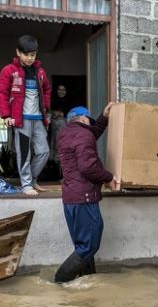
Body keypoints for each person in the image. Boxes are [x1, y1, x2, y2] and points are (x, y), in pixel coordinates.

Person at [53, 103, 118, 283]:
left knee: (82, 246)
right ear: (83, 119)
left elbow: (91, 134)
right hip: (84, 198)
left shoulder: (65, 134)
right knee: (89, 245)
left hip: (70, 200)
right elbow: (88, 166)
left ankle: (88, 284)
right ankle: (59, 281)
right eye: (89, 120)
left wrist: (103, 116)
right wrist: (108, 177)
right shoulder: (84, 134)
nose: (90, 124)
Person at [0, 35, 51, 196]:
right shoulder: (9, 71)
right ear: (18, 52)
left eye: (33, 55)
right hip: (21, 120)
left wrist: (46, 107)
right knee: (24, 153)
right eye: (26, 54)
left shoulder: (40, 72)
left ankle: (32, 179)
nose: (29, 58)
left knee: (44, 151)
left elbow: (47, 89)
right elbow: (1, 93)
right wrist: (5, 115)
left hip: (39, 119)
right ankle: (26, 185)